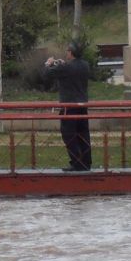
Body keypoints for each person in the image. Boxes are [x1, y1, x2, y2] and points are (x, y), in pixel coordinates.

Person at [44, 42, 92, 171]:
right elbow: (69, 72)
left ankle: (77, 163)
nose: (66, 53)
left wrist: (48, 63)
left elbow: (48, 73)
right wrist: (61, 64)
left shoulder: (67, 68)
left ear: (71, 52)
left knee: (69, 135)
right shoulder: (85, 66)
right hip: (83, 105)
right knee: (83, 134)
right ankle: (86, 163)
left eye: (67, 51)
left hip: (69, 106)